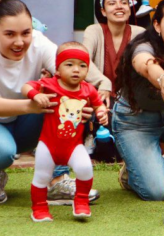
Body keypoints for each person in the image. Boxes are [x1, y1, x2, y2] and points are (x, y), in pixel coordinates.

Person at [0, 0, 100, 205]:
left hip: (27, 123)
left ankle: (58, 179)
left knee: (62, 101)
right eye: (9, 34)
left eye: (26, 33)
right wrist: (31, 106)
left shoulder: (39, 42)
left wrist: (85, 103)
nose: (19, 42)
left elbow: (70, 71)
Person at [112, 0, 164, 201]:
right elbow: (145, 63)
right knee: (160, 192)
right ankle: (132, 173)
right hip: (136, 123)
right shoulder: (144, 46)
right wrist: (163, 78)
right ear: (157, 25)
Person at [22, 43, 108, 222]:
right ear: (58, 69)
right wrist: (35, 95)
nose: (76, 70)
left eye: (82, 66)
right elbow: (26, 86)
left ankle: (81, 201)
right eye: (69, 64)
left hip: (73, 145)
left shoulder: (88, 89)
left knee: (85, 168)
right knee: (42, 176)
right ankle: (39, 208)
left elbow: (98, 105)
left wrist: (101, 113)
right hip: (48, 145)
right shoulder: (49, 84)